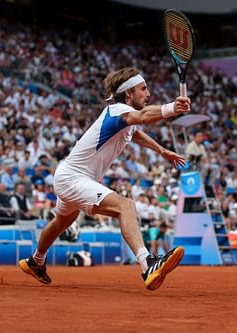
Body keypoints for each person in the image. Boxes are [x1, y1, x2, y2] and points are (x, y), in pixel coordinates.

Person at [19, 67, 189, 290]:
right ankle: (148, 264)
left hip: (69, 176)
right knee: (125, 206)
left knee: (63, 221)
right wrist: (171, 108)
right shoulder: (118, 110)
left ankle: (35, 261)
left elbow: (135, 132)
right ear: (128, 93)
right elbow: (145, 116)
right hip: (74, 178)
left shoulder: (123, 117)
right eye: (143, 89)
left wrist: (162, 151)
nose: (148, 94)